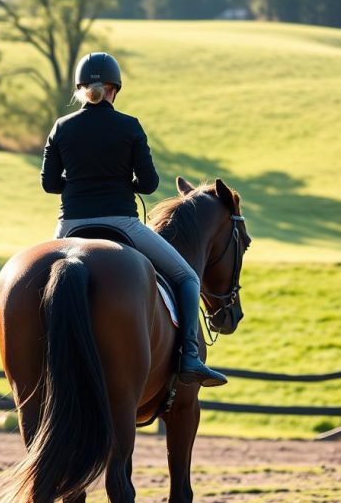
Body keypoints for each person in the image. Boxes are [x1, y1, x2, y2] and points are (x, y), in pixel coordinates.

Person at [41, 52, 227, 387]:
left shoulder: (61, 128)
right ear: (115, 89)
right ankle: (189, 357)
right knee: (186, 279)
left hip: (69, 227)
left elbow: (49, 184)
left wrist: (80, 182)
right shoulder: (129, 126)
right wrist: (123, 183)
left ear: (80, 89)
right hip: (122, 223)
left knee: (40, 283)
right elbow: (151, 183)